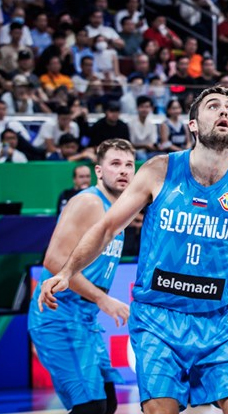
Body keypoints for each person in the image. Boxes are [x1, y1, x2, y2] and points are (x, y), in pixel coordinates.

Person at [38, 86, 228, 414]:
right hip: (157, 317)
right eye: (213, 106)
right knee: (160, 409)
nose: (224, 111)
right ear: (193, 125)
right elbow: (108, 227)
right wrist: (67, 271)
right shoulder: (159, 170)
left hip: (218, 321)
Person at [29, 139, 136, 414]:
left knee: (108, 401)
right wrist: (103, 299)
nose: (123, 170)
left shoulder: (120, 209)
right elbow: (53, 261)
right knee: (91, 407)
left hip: (83, 319)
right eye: (115, 164)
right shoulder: (88, 201)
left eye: (128, 165)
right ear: (98, 171)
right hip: (58, 314)